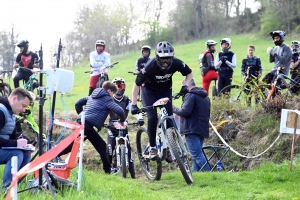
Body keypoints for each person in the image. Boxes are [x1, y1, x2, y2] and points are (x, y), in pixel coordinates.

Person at [131, 41, 193, 159]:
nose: (165, 63)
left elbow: (189, 73)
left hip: (165, 90)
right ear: (157, 57)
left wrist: (185, 85)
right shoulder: (150, 65)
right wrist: (134, 104)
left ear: (172, 57)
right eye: (162, 59)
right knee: (153, 117)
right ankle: (153, 148)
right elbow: (136, 85)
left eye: (168, 59)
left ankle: (170, 147)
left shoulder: (176, 63)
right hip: (149, 92)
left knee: (170, 119)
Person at [59, 81, 126, 174]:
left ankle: (108, 169)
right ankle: (52, 156)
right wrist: (122, 120)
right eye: (113, 93)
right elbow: (120, 110)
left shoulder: (92, 96)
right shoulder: (107, 99)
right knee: (73, 145)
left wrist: (82, 116)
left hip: (85, 124)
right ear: (109, 91)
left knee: (101, 145)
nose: (113, 96)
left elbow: (78, 103)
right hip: (87, 124)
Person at [107, 77, 144, 178]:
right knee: (109, 149)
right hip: (112, 128)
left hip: (123, 127)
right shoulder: (109, 100)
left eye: (121, 86)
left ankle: (133, 175)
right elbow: (102, 111)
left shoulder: (127, 100)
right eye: (117, 86)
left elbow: (134, 110)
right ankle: (108, 171)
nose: (119, 89)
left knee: (129, 151)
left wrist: (139, 118)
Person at [172, 79, 211, 172]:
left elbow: (185, 112)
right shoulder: (205, 96)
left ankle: (211, 173)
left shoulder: (190, 95)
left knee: (197, 155)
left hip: (191, 129)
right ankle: (196, 174)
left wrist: (173, 108)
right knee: (196, 155)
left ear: (187, 85)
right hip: (202, 128)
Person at [0, 88, 34, 187]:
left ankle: (15, 185)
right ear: (14, 99)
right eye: (23, 105)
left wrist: (25, 145)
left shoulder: (11, 113)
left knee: (26, 154)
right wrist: (16, 144)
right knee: (16, 154)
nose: (24, 110)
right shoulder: (1, 111)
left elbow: (13, 135)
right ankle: (7, 188)